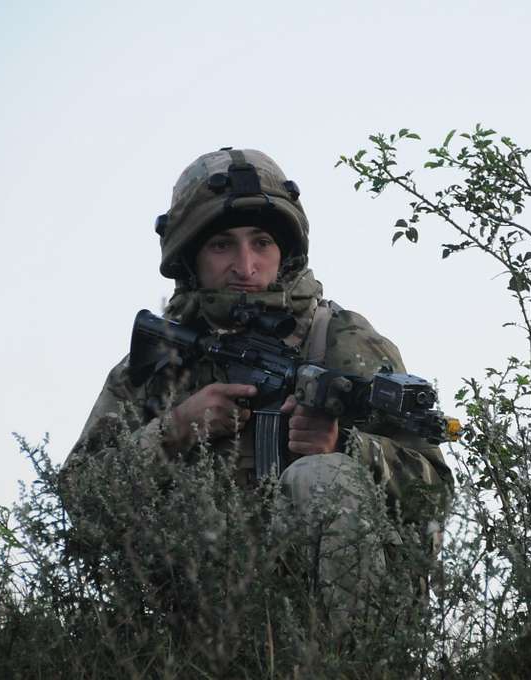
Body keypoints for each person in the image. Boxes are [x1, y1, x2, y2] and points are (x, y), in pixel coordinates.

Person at [63, 148, 453, 627]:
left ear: (284, 252)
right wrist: (175, 430)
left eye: (262, 243)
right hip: (196, 624)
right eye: (222, 245)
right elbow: (81, 498)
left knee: (323, 477)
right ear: (191, 256)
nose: (245, 267)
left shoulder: (344, 343)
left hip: (333, 617)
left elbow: (434, 493)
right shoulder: (158, 362)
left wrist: (347, 447)